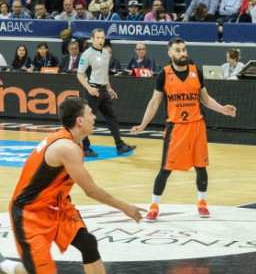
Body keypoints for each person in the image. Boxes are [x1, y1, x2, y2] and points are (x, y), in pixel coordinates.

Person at [0, 97, 144, 274]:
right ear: (80, 120)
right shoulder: (66, 147)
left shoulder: (75, 142)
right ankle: (4, 265)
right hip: (30, 212)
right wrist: (125, 207)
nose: (94, 117)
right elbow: (90, 190)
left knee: (88, 243)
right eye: (90, 113)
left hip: (57, 206)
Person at [131, 37, 237, 221]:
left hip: (197, 126)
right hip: (176, 128)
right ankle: (154, 205)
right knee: (165, 169)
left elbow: (205, 99)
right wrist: (143, 124)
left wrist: (222, 109)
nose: (183, 53)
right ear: (170, 53)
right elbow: (154, 102)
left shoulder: (196, 71)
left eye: (184, 49)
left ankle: (202, 203)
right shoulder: (164, 74)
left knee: (201, 167)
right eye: (178, 50)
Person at [77, 29, 136, 157]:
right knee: (87, 121)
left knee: (112, 117)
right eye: (98, 37)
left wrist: (109, 88)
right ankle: (84, 148)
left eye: (102, 38)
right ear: (92, 39)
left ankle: (120, 146)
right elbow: (80, 74)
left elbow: (105, 74)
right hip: (92, 91)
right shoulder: (87, 54)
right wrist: (89, 88)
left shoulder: (106, 53)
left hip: (103, 90)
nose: (100, 40)